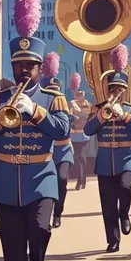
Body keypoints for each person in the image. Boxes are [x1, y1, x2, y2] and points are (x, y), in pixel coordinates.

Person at [0, 0, 70, 261]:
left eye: (29, 68)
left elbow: (61, 131)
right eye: (19, 67)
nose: (23, 73)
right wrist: (2, 115)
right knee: (12, 245)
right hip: (7, 180)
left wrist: (34, 112)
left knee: (39, 229)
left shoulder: (51, 97)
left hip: (41, 177)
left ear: (39, 69)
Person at [83, 45, 131, 252]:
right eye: (112, 90)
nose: (115, 93)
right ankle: (113, 239)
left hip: (127, 158)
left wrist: (124, 116)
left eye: (119, 90)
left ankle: (124, 213)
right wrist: (100, 116)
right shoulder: (99, 109)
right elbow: (88, 131)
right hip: (105, 161)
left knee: (125, 188)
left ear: (125, 92)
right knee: (107, 204)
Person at [39, 52, 72, 229]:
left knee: (62, 178)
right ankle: (47, 213)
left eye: (55, 91)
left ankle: (58, 212)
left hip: (63, 149)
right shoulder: (41, 103)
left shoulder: (63, 102)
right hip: (46, 150)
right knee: (48, 182)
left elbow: (66, 127)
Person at [69, 73, 90, 190]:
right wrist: (72, 109)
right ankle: (80, 181)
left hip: (84, 136)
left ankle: (81, 182)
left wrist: (79, 113)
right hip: (74, 136)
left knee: (81, 158)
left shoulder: (88, 106)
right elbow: (69, 118)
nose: (79, 96)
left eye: (80, 95)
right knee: (77, 158)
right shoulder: (71, 104)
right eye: (77, 94)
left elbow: (86, 118)